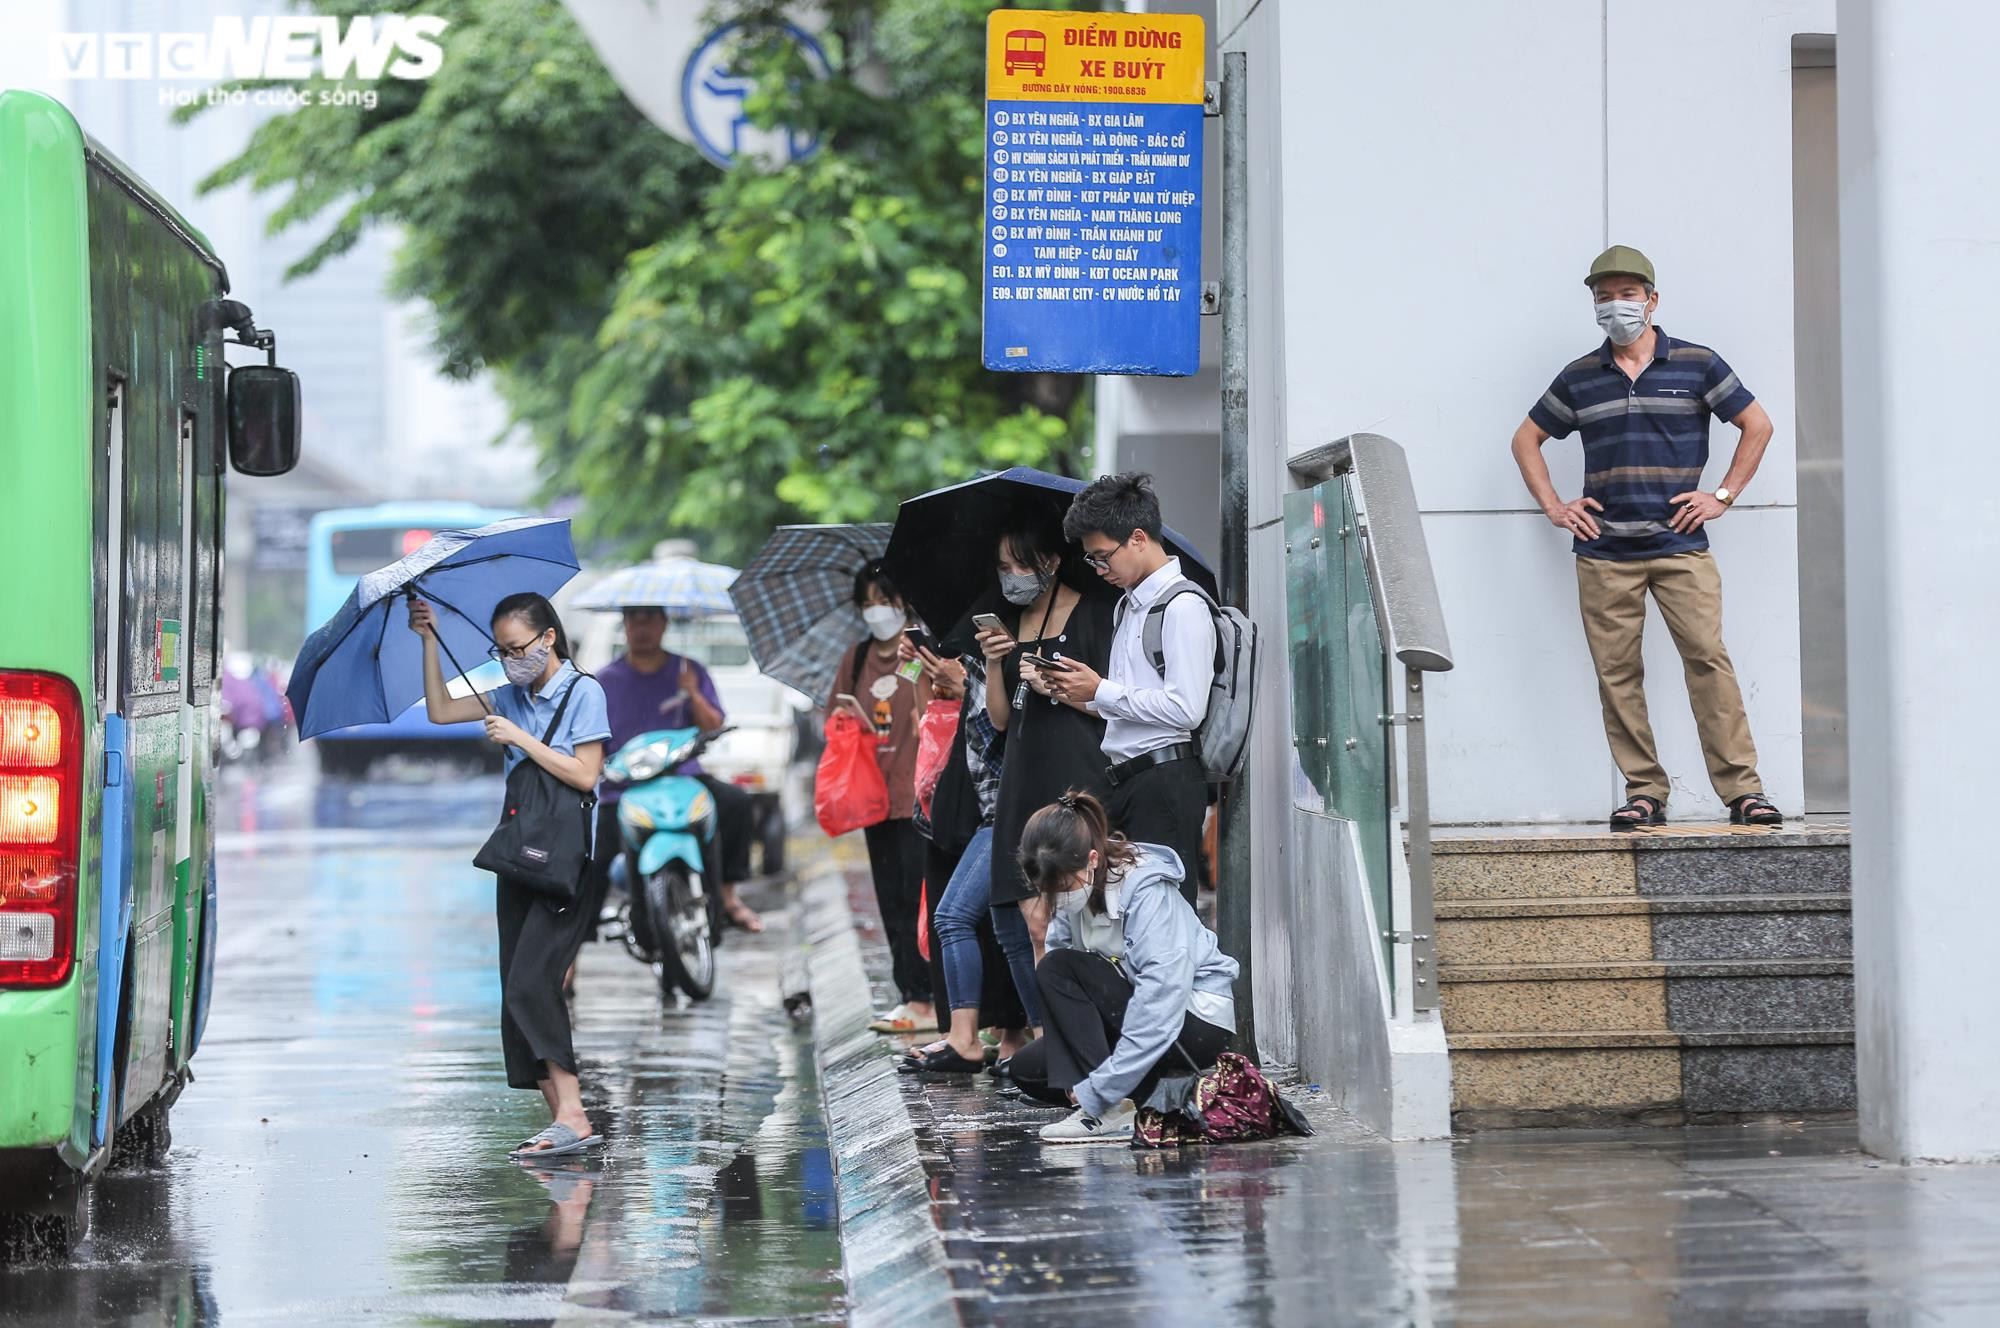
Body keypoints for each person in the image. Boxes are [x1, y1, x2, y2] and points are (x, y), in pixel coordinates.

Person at [1509, 245, 1783, 830]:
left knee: (1708, 661)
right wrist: (1556, 506)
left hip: (1681, 548)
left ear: (1651, 300)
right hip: (1604, 554)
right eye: (1603, 297)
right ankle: (1645, 793)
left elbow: (1757, 425)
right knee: (1618, 675)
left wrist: (1722, 496)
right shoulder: (1581, 377)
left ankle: (1743, 792)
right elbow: (1526, 439)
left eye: (1626, 294)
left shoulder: (1698, 363)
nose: (1616, 306)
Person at [410, 590, 611, 1158]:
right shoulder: (508, 693)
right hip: (521, 857)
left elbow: (586, 775)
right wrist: (429, 641)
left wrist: (519, 737)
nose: (509, 660)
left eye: (517, 647)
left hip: (570, 862)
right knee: (514, 992)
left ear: (548, 638)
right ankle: (561, 1123)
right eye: (500, 651)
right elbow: (440, 710)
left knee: (533, 982)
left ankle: (574, 1115)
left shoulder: (583, 692)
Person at [1005, 792, 1239, 1145]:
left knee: (1056, 968)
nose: (1059, 899)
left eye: (1064, 887)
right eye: (1048, 892)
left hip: (1193, 1023)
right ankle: (1139, 1094)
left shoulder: (1145, 890)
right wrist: (1075, 1064)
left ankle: (1109, 1109)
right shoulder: (1070, 894)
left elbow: (1160, 1003)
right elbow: (1064, 991)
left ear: (1092, 859)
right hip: (1129, 1012)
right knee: (1027, 1070)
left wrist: (1099, 1089)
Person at [1050, 473, 1216, 905]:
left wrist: (1101, 690)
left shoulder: (1183, 606)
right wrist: (1080, 692)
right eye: (1092, 560)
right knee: (1132, 916)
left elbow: (1186, 710)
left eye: (1103, 556)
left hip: (1165, 778)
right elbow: (1132, 704)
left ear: (1139, 538)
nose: (1100, 569)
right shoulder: (1128, 603)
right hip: (1130, 778)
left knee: (1166, 919)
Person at [900, 627, 1040, 1075]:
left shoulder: (1005, 656)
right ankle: (1039, 1039)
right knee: (1012, 931)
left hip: (1008, 809)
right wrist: (926, 676)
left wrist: (970, 678)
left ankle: (975, 1039)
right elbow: (932, 722)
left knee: (956, 916)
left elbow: (1003, 726)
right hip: (986, 809)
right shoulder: (979, 659)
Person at [978, 514, 1116, 954]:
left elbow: (1113, 707)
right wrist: (992, 662)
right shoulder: (1008, 623)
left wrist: (1054, 686)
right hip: (1023, 781)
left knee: (1086, 915)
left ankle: (1082, 1019)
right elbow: (1000, 720)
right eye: (1004, 568)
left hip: (1079, 779)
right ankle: (1046, 1026)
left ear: (1053, 562)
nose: (1013, 577)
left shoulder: (1093, 614)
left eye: (1022, 565)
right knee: (1036, 923)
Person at [589, 605, 763, 934]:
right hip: (624, 789)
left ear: (664, 624)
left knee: (737, 803)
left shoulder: (688, 670)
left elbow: (714, 724)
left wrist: (692, 692)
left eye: (649, 620)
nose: (642, 629)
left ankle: (727, 897)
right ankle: (572, 957)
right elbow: (591, 739)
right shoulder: (604, 681)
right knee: (592, 859)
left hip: (682, 780)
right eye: (634, 620)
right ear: (624, 625)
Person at [829, 561, 936, 1034]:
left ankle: (931, 997)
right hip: (874, 797)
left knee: (923, 899)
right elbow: (835, 721)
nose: (876, 612)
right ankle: (909, 996)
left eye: (884, 601)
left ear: (903, 602)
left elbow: (938, 710)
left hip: (919, 795)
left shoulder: (923, 651)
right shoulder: (855, 660)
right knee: (890, 899)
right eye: (867, 604)